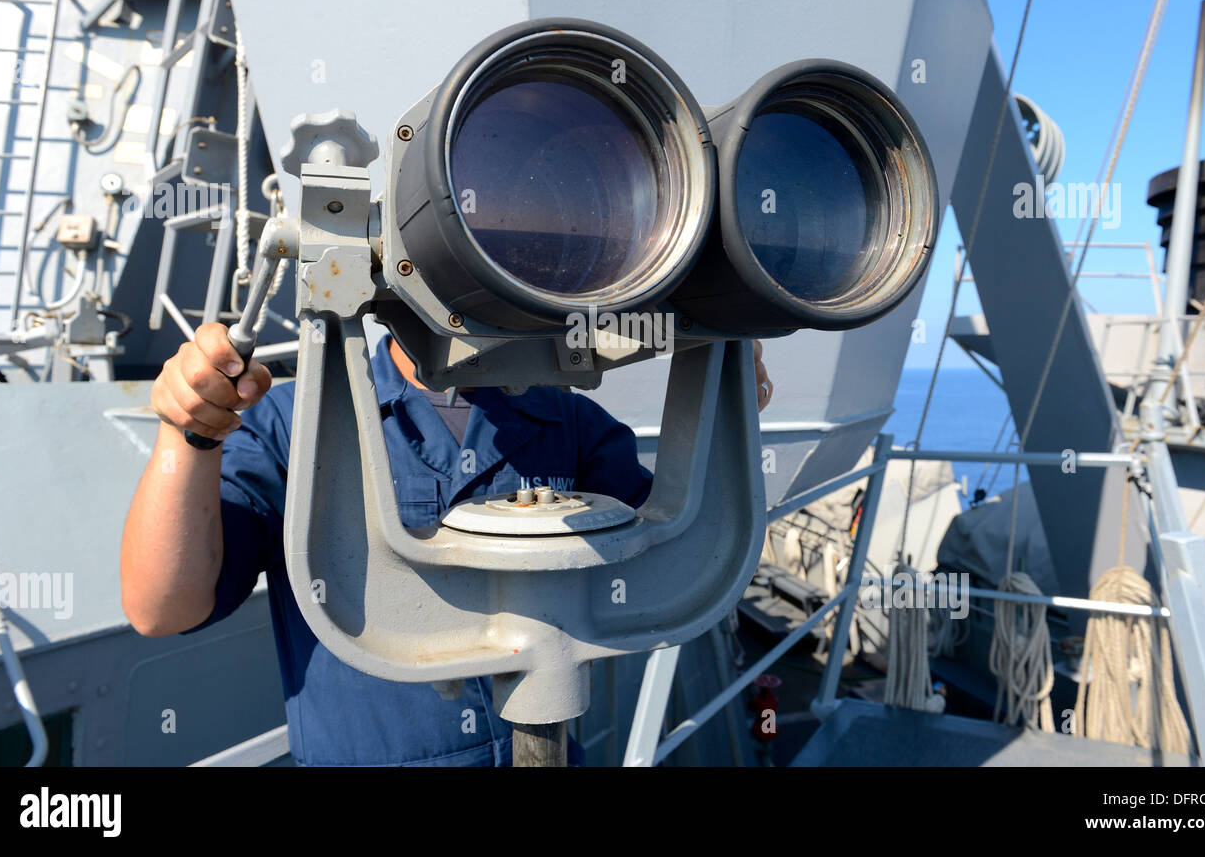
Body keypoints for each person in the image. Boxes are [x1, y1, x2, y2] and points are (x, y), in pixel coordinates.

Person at [121, 322, 773, 766]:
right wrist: (189, 432)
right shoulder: (292, 424)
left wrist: (721, 404)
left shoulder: (568, 419)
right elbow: (164, 605)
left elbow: (668, 561)